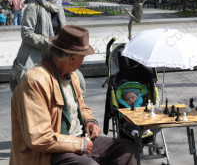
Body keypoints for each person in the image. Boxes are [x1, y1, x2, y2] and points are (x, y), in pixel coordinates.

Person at [10, 25, 139, 165]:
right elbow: (38, 137)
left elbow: (80, 107)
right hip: (49, 152)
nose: (83, 61)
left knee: (127, 150)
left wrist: (90, 121)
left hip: (79, 139)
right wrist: (79, 145)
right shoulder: (34, 80)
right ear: (72, 58)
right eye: (82, 57)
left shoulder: (73, 76)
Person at [10, 0, 84, 94]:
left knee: (79, 83)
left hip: (57, 56)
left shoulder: (58, 5)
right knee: (37, 93)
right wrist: (51, 44)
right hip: (37, 57)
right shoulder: (33, 7)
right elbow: (26, 34)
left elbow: (61, 31)